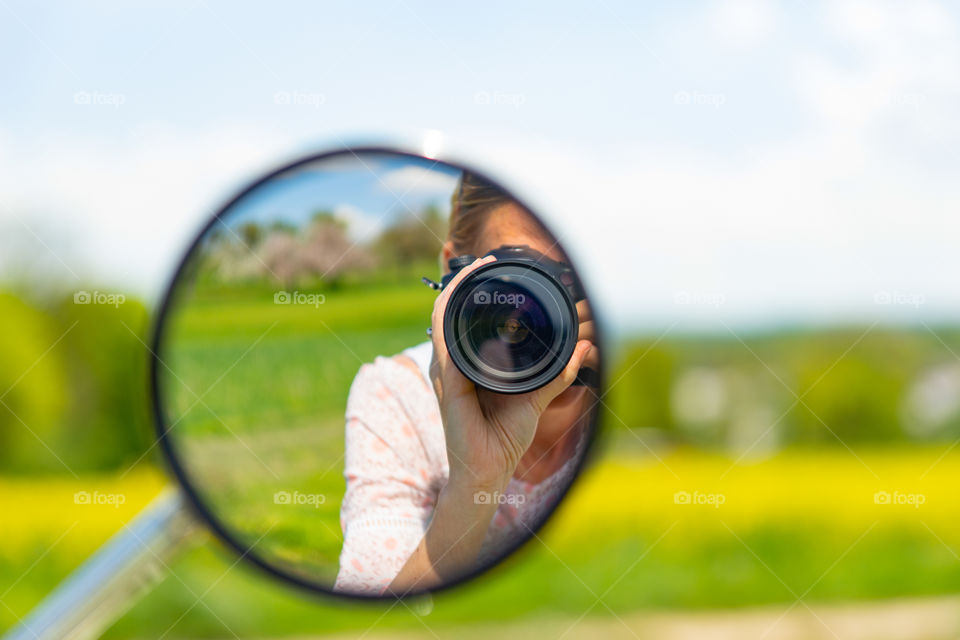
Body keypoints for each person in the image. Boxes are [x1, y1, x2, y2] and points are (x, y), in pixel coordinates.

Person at [333, 172, 598, 595]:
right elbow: (377, 621)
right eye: (520, 276)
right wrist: (476, 481)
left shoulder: (637, 379)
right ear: (452, 274)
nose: (542, 309)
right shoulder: (400, 395)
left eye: (578, 279)